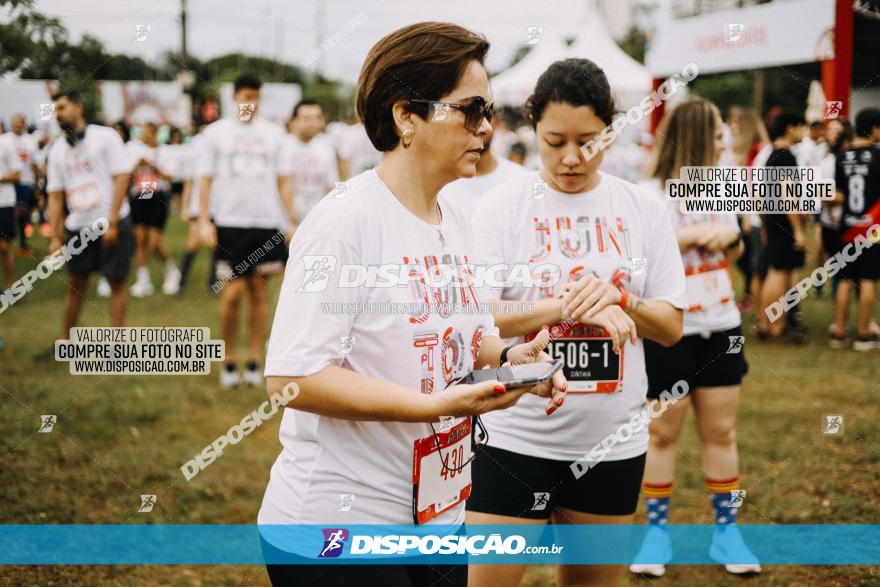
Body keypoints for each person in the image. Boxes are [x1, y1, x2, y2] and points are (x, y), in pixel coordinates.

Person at [257, 23, 566, 587]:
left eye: (490, 111)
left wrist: (516, 362)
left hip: (436, 520)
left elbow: (469, 337)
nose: (487, 128)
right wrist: (430, 406)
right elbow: (292, 377)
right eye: (470, 110)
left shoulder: (457, 219)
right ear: (406, 116)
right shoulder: (344, 221)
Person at [466, 58, 686, 587]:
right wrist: (567, 306)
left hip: (611, 441)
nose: (570, 158)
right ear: (532, 127)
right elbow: (479, 317)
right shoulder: (502, 208)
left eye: (587, 140)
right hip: (513, 437)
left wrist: (620, 298)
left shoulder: (642, 209)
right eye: (554, 140)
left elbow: (671, 325)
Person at [628, 99, 759, 577]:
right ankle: (656, 536)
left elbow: (741, 244)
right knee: (662, 435)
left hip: (721, 324)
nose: (725, 139)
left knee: (721, 432)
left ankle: (727, 534)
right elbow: (634, 264)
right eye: (718, 132)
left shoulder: (723, 185)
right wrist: (683, 239)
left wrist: (732, 239)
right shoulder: (648, 194)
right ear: (697, 135)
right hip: (669, 330)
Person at [196, 74, 296, 388]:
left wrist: (291, 219)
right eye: (244, 97)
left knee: (257, 293)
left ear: (259, 100)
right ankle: (228, 360)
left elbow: (284, 181)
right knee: (232, 293)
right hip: (229, 223)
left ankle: (254, 359)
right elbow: (205, 179)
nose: (249, 103)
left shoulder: (274, 134)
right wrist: (203, 220)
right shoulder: (216, 134)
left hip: (266, 223)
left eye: (255, 97)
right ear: (234, 98)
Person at [43, 89, 134, 348]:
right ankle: (65, 341)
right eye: (55, 110)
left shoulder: (105, 137)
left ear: (78, 107)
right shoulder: (57, 150)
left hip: (111, 222)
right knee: (76, 283)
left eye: (62, 107)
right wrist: (54, 236)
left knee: (116, 281)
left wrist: (113, 222)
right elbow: (55, 197)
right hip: (79, 226)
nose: (58, 113)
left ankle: (116, 345)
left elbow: (122, 178)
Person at [756, 110, 808, 341]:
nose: (802, 132)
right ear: (790, 128)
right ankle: (777, 326)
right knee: (781, 273)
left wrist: (766, 223)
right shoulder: (787, 156)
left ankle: (766, 324)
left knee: (773, 272)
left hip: (773, 220)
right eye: (800, 127)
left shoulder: (770, 156)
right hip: (785, 222)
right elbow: (789, 196)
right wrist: (797, 229)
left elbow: (761, 197)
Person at [832, 107, 880, 351]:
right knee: (868, 279)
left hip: (847, 226)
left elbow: (838, 194)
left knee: (844, 278)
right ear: (873, 129)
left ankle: (838, 333)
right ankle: (863, 334)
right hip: (872, 228)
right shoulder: (878, 156)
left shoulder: (842, 156)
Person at [438, 108, 527, 214]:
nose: (480, 126)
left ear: (497, 121)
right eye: (470, 116)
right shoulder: (440, 185)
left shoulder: (521, 179)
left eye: (486, 115)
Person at [127, 122, 180, 297]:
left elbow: (170, 176)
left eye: (150, 132)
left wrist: (152, 164)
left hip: (156, 195)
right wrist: (137, 164)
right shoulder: (133, 149)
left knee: (154, 242)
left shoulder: (164, 151)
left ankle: (171, 270)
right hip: (139, 195)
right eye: (144, 132)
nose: (147, 135)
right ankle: (143, 280)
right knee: (139, 240)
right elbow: (126, 174)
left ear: (156, 134)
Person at [729, 108, 770, 315]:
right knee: (744, 260)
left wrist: (747, 214)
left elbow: (757, 189)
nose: (732, 126)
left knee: (754, 262)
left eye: (736, 123)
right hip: (737, 213)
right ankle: (751, 298)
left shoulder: (760, 152)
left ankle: (755, 303)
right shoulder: (738, 152)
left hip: (751, 216)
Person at [281, 100, 340, 225]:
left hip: (316, 221)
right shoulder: (283, 145)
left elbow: (335, 185)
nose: (313, 123)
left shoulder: (326, 146)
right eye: (307, 118)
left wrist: (339, 215)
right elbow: (283, 184)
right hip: (285, 223)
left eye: (317, 118)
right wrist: (292, 222)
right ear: (293, 121)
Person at [177, 125, 214, 296]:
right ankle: (181, 282)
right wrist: (185, 207)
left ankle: (213, 283)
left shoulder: (220, 146)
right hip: (198, 206)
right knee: (193, 244)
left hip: (220, 206)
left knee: (216, 245)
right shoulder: (195, 149)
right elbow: (188, 181)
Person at [4, 115, 41, 256]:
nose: (17, 126)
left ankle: (22, 245)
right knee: (14, 212)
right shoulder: (4, 139)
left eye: (19, 123)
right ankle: (15, 244)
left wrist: (37, 184)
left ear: (24, 124)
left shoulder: (31, 141)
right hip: (9, 181)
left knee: (22, 211)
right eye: (14, 123)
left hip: (25, 181)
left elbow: (35, 164)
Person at [0, 130, 22, 289]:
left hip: (4, 202)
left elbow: (17, 175)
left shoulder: (5, 145)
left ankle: (10, 285)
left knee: (4, 247)